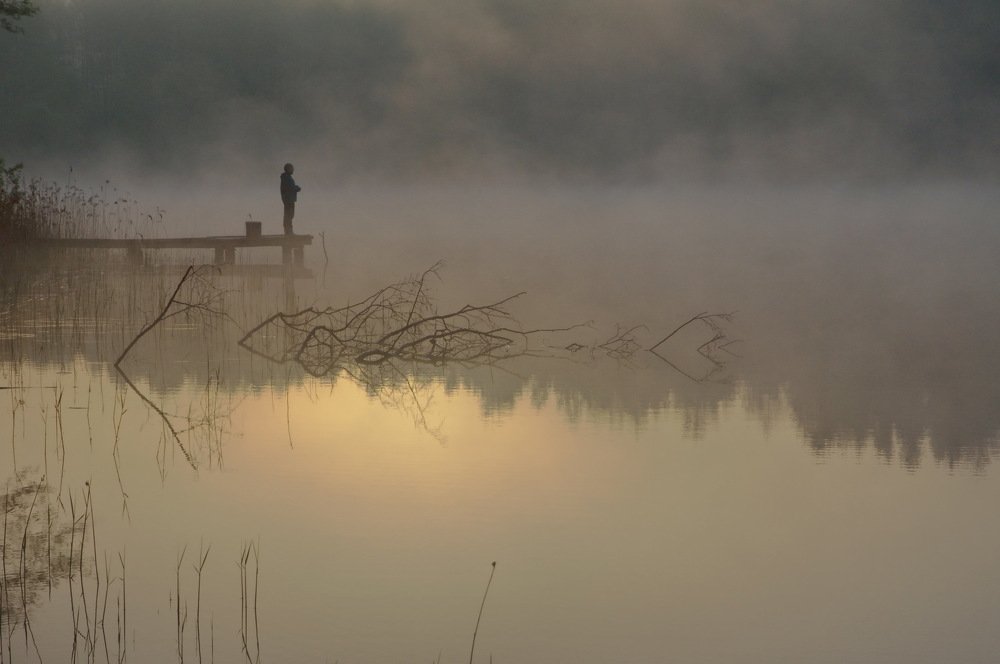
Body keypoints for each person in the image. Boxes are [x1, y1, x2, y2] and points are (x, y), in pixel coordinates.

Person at [280, 163, 301, 235]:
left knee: (289, 215)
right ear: (288, 169)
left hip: (288, 199)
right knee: (289, 215)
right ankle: (289, 232)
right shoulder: (287, 178)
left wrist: (295, 187)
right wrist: (297, 188)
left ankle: (288, 231)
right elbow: (290, 188)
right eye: (292, 168)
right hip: (289, 200)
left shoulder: (286, 177)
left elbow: (289, 187)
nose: (293, 170)